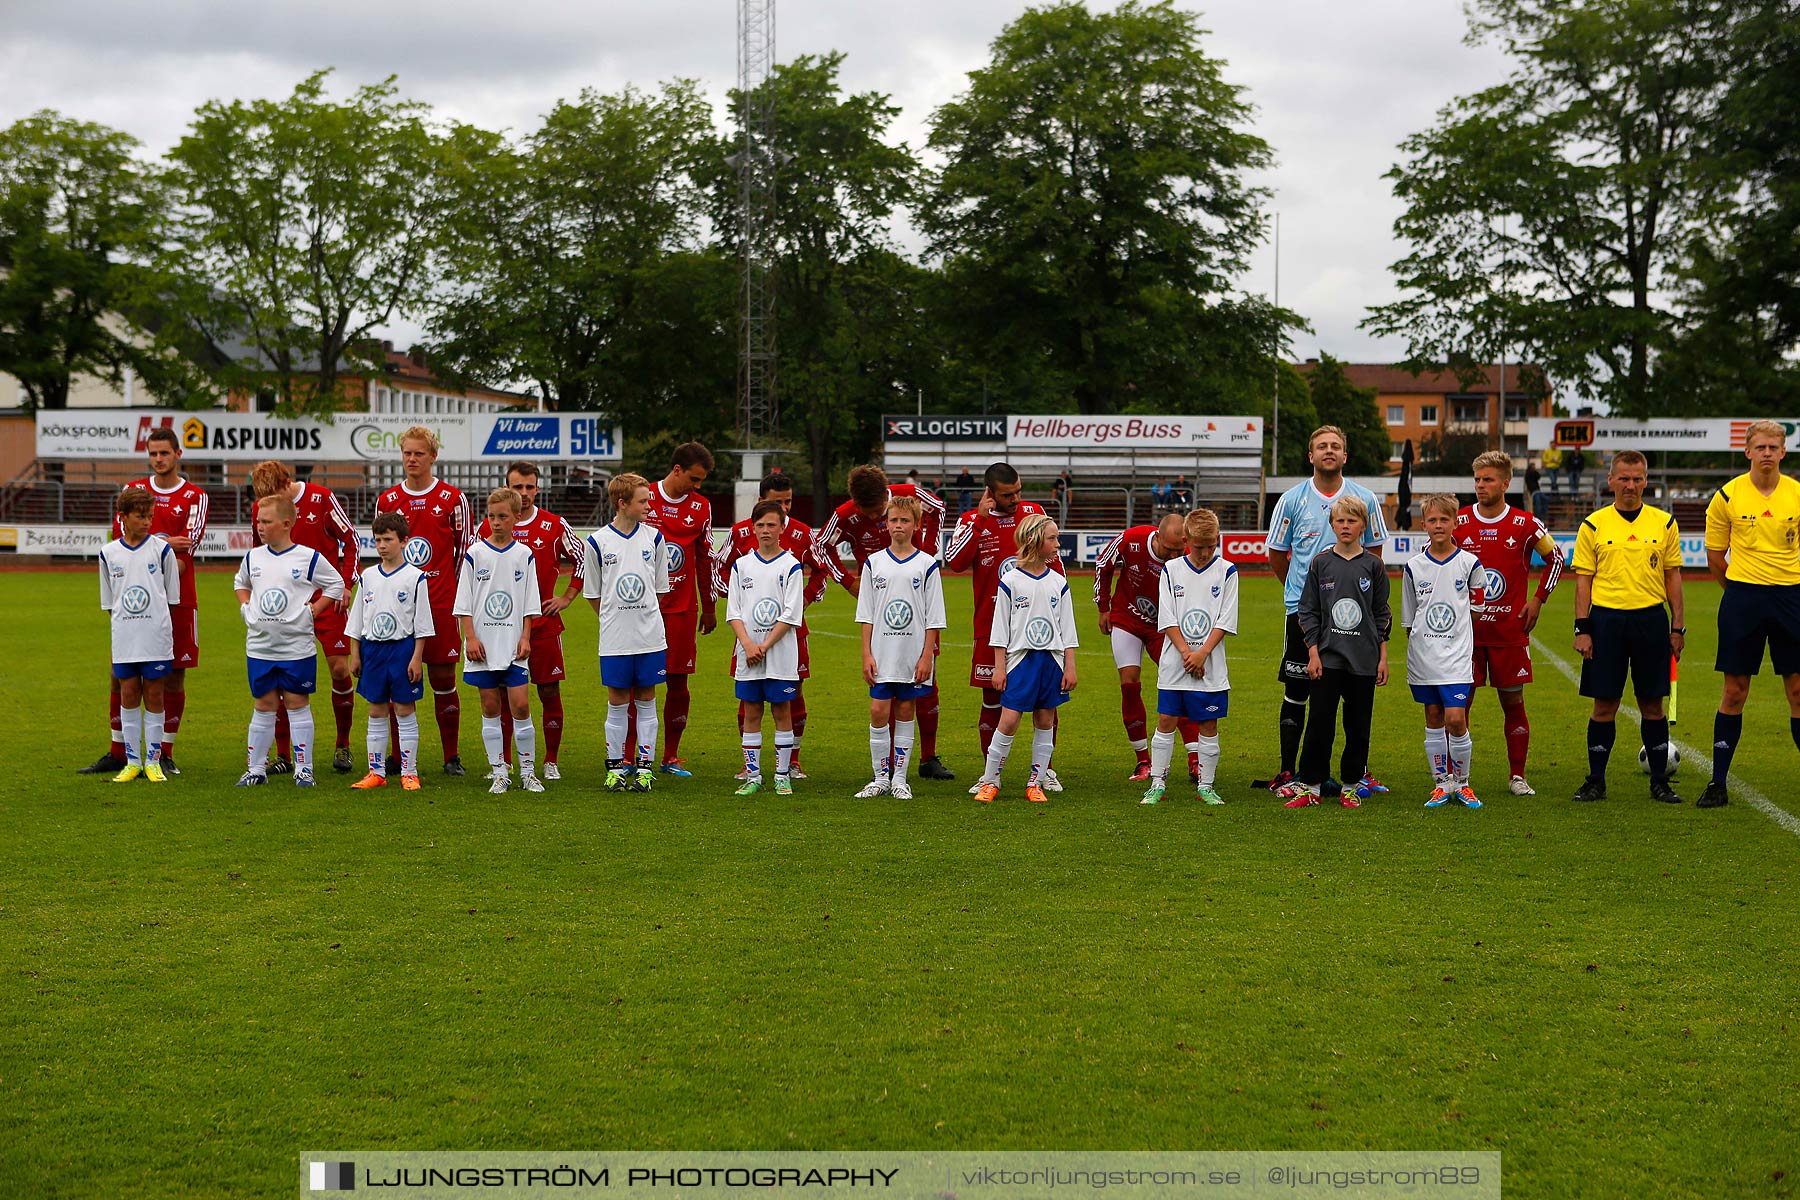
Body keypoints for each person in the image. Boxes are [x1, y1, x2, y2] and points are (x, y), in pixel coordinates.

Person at [1266, 425, 1390, 796]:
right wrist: (1304, 597)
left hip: (1353, 620)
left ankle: (1358, 773)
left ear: (1345, 455)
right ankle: (1290, 771)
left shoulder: (1365, 498)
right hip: (1304, 615)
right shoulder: (1291, 500)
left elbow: (1376, 556)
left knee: (1356, 694)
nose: (1329, 451)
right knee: (1299, 690)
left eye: (1336, 446)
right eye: (1322, 446)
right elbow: (1276, 555)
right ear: (1311, 456)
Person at [80, 426, 207, 777]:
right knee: (118, 676)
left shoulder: (195, 496)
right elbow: (121, 535)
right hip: (133, 599)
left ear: (178, 454)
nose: (158, 460)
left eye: (165, 453)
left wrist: (159, 542)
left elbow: (188, 545)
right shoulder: (131, 491)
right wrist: (166, 540)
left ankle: (162, 752)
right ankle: (118, 750)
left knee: (173, 677)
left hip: (178, 599)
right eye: (153, 453)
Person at [817, 464, 955, 780]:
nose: (873, 517)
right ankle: (889, 763)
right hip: (880, 602)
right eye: (867, 512)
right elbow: (821, 545)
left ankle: (928, 757)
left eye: (879, 510)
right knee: (885, 681)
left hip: (915, 597)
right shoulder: (845, 514)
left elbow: (939, 507)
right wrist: (847, 581)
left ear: (887, 496)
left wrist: (929, 551)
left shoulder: (908, 495)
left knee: (926, 681)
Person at [1570, 449, 1684, 804]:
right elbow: (1583, 581)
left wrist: (1677, 627)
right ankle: (1596, 780)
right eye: (1624, 478)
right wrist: (1582, 628)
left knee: (1653, 704)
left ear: (1646, 481)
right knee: (1605, 704)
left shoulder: (1664, 523)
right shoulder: (1593, 524)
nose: (1630, 485)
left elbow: (1673, 577)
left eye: (1637, 479)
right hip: (1606, 621)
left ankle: (1659, 782)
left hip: (1651, 620)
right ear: (1611, 480)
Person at [1699, 420, 1800, 808]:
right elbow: (1714, 557)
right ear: (1747, 452)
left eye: (1774, 447)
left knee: (1797, 689)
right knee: (1734, 690)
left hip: (1791, 598)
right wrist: (1740, 592)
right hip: (1743, 599)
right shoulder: (1727, 496)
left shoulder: (1795, 493)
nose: (1768, 454)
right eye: (1760, 447)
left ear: (1784, 452)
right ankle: (1718, 782)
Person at [1456, 451, 1566, 795]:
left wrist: (1538, 599)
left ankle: (1517, 776)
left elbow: (1557, 559)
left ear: (1506, 483)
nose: (1480, 486)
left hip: (1509, 632)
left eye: (1487, 480)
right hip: (1466, 635)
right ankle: (1458, 779)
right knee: (1459, 706)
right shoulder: (1458, 522)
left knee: (1513, 704)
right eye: (1477, 480)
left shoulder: (1525, 523)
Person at [249, 461, 360, 774]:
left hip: (325, 598)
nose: (266, 506)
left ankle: (343, 745)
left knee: (340, 669)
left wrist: (346, 584)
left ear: (287, 483)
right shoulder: (263, 508)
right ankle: (284, 755)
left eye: (273, 496)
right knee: (281, 675)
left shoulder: (322, 498)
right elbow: (258, 555)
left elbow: (350, 539)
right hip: (283, 604)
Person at [945, 462, 1057, 768]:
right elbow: (954, 562)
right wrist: (980, 521)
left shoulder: (1033, 513)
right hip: (990, 626)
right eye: (1008, 494)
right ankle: (990, 771)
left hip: (1035, 628)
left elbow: (1056, 570)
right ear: (990, 494)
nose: (1016, 499)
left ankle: (1044, 771)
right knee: (992, 698)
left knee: (1045, 701)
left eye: (1019, 491)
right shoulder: (971, 520)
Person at [717, 471, 828, 780]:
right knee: (749, 696)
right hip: (749, 630)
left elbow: (822, 570)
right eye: (777, 502)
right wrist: (743, 601)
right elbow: (718, 569)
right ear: (761, 502)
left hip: (790, 630)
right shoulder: (741, 533)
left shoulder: (803, 534)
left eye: (788, 501)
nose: (785, 507)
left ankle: (792, 761)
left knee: (793, 693)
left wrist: (801, 601)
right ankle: (749, 765)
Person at [479, 461, 586, 781]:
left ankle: (550, 761)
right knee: (503, 694)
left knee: (548, 691)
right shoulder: (488, 527)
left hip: (543, 626)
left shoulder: (554, 524)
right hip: (501, 627)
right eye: (516, 487)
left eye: (529, 487)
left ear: (538, 489)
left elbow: (584, 559)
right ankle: (506, 762)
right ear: (507, 487)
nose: (523, 494)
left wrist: (566, 597)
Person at [376, 427, 473, 775]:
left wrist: (457, 596)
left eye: (419, 453)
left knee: (444, 679)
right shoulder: (388, 500)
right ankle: (399, 757)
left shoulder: (452, 498)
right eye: (407, 453)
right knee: (395, 680)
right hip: (399, 607)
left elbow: (464, 552)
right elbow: (384, 553)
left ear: (433, 456)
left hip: (441, 603)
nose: (412, 459)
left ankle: (451, 756)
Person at [232, 493, 345, 787]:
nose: (260, 526)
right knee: (264, 704)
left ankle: (303, 769)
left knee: (296, 702)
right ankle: (256, 769)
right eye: (258, 521)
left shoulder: (307, 557)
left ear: (285, 524)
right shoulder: (253, 556)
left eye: (266, 522)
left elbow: (335, 584)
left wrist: (313, 610)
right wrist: (246, 607)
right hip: (260, 647)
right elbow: (240, 583)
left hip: (296, 646)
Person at [1286, 495, 1391, 808]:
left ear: (1363, 525)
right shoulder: (1322, 562)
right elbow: (1309, 610)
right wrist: (1313, 652)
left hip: (1363, 658)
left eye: (1352, 520)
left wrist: (1382, 657)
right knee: (1319, 722)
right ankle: (1312, 787)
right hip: (1328, 657)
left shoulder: (1373, 565)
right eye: (1340, 521)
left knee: (1358, 725)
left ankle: (1350, 786)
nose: (1346, 526)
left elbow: (1381, 613)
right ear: (1332, 525)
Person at [973, 514, 1078, 804]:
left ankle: (1036, 782)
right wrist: (999, 667)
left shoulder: (1059, 582)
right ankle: (990, 780)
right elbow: (999, 630)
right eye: (1052, 538)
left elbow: (1067, 630)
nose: (1058, 544)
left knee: (1045, 720)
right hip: (1020, 662)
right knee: (1008, 721)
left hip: (1052, 663)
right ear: (1034, 541)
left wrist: (1070, 666)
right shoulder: (1010, 581)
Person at [853, 494, 947, 800]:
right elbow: (866, 614)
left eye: (905, 520)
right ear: (886, 523)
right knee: (878, 710)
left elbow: (934, 617)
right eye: (893, 520)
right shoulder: (873, 563)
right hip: (881, 652)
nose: (898, 526)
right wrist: (866, 653)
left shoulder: (927, 565)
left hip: (912, 654)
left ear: (916, 525)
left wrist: (926, 656)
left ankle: (900, 779)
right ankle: (880, 776)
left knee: (907, 710)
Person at [1094, 514, 1200, 781]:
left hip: (1163, 627)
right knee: (1129, 683)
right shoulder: (1131, 539)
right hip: (1127, 619)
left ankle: (1195, 758)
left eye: (1181, 549)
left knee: (1180, 684)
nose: (1176, 555)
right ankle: (1143, 761)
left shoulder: (1187, 556)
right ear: (1158, 536)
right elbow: (1103, 565)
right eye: (1170, 549)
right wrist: (1103, 607)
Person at [583, 473, 671, 792]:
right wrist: (614, 618)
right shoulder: (596, 542)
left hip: (649, 636)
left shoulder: (655, 539)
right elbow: (593, 594)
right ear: (623, 503)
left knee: (647, 699)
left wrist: (641, 614)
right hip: (615, 638)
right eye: (643, 501)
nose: (649, 506)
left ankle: (645, 770)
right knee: (617, 701)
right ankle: (616, 769)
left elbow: (660, 589)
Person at [1142, 508, 1237, 806]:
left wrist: (1203, 653)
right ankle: (1157, 782)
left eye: (1211, 546)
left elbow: (1226, 618)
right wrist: (1186, 653)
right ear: (1186, 540)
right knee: (1166, 719)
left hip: (1210, 665)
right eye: (1199, 546)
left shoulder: (1227, 571)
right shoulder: (1171, 571)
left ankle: (1206, 785)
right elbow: (1166, 616)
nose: (1205, 552)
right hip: (1176, 662)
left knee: (1208, 724)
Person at [456, 487, 543, 795]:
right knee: (490, 706)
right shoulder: (474, 554)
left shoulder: (525, 554)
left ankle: (529, 772)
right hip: (483, 644)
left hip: (513, 643)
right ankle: (499, 772)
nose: (496, 522)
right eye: (491, 516)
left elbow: (530, 603)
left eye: (503, 516)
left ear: (516, 518)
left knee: (520, 705)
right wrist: (470, 638)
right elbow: (464, 603)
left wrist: (525, 636)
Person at [637, 442, 718, 775]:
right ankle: (631, 755)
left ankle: (670, 755)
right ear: (677, 470)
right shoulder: (644, 498)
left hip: (682, 609)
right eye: (694, 479)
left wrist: (709, 606)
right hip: (642, 608)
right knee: (637, 681)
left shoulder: (701, 507)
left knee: (678, 682)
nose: (697, 486)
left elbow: (704, 558)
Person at [1404, 494, 1486, 808]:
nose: (1438, 525)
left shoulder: (1469, 563)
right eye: (1432, 520)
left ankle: (1462, 783)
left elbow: (1475, 610)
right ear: (1423, 524)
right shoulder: (1414, 567)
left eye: (1444, 520)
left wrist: (1456, 639)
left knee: (1455, 718)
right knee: (1434, 716)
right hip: (1424, 656)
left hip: (1457, 657)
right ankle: (1442, 783)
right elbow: (1410, 619)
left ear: (1455, 523)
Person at [97, 487, 182, 783]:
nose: (146, 522)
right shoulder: (108, 554)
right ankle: (132, 761)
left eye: (149, 516)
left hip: (155, 636)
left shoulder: (162, 550)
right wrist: (126, 626)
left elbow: (172, 599)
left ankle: (153, 761)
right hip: (125, 638)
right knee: (129, 692)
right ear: (123, 517)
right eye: (140, 516)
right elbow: (110, 604)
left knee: (156, 694)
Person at [346, 512, 434, 790]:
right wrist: (355, 653)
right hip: (372, 651)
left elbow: (422, 623)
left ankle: (409, 771)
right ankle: (377, 772)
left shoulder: (415, 577)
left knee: (405, 709)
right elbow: (357, 619)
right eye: (377, 540)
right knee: (376, 709)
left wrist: (417, 657)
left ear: (404, 541)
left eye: (388, 539)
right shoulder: (368, 576)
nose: (382, 545)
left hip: (402, 649)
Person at [725, 500, 806, 796]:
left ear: (782, 528)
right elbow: (733, 612)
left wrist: (766, 644)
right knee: (752, 713)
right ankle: (753, 775)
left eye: (772, 524)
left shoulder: (791, 566)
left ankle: (782, 775)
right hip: (749, 655)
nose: (765, 530)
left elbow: (791, 613)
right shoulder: (741, 566)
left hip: (780, 654)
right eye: (760, 525)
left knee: (782, 711)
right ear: (752, 528)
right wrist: (748, 644)